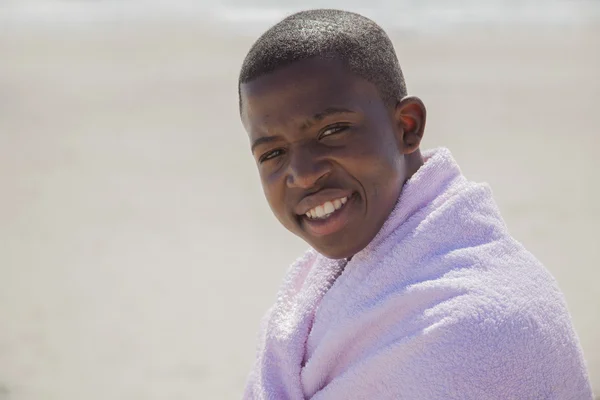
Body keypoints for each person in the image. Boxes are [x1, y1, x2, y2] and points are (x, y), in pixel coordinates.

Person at [238, 9, 593, 400]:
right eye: (272, 154)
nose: (303, 174)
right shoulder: (318, 292)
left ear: (407, 126)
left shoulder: (472, 327)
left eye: (332, 131)